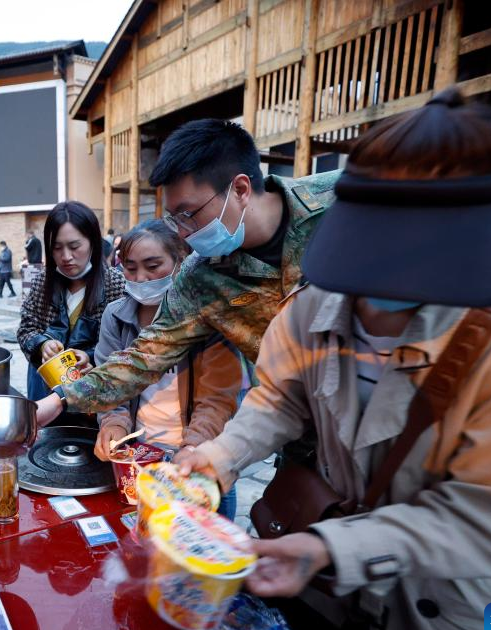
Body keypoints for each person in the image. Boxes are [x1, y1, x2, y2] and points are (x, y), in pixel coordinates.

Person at [176, 88, 491, 630]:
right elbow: (279, 398)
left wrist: (334, 548)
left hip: (487, 602)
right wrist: (221, 456)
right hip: (337, 582)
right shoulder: (314, 304)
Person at [34, 118, 339, 429]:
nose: (181, 231)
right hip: (302, 434)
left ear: (240, 189)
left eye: (188, 214)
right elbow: (144, 358)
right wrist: (57, 401)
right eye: (174, 217)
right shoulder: (199, 279)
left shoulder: (345, 201)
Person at [93, 219, 244, 519]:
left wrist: (194, 447)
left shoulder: (207, 316)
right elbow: (110, 383)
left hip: (198, 457)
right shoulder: (116, 316)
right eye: (130, 267)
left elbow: (217, 399)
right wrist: (114, 423)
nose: (141, 278)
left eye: (153, 266)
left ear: (179, 260)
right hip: (141, 456)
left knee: (203, 537)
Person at [18, 200, 126, 404]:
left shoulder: (116, 283)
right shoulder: (43, 282)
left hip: (92, 395)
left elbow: (124, 344)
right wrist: (42, 344)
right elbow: (26, 329)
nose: (66, 257)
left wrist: (92, 358)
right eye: (57, 248)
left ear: (92, 242)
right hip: (45, 389)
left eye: (74, 246)